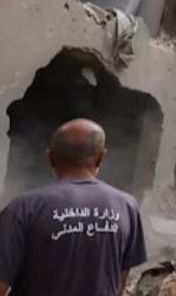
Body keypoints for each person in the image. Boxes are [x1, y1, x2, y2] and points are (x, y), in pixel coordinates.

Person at [0, 119, 147, 296]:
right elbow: (119, 282)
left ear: (50, 157)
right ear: (101, 157)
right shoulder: (126, 206)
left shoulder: (22, 209)